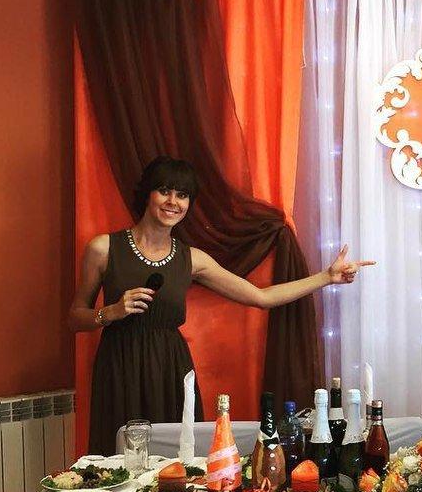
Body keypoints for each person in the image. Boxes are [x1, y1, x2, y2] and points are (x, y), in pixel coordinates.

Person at [69, 156, 375, 455]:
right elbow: (75, 317)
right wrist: (110, 312)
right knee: (118, 460)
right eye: (164, 191)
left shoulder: (193, 259)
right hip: (119, 366)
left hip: (171, 368)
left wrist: (326, 277)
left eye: (182, 195)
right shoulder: (104, 248)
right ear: (147, 194)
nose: (173, 201)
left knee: (178, 459)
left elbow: (261, 297)